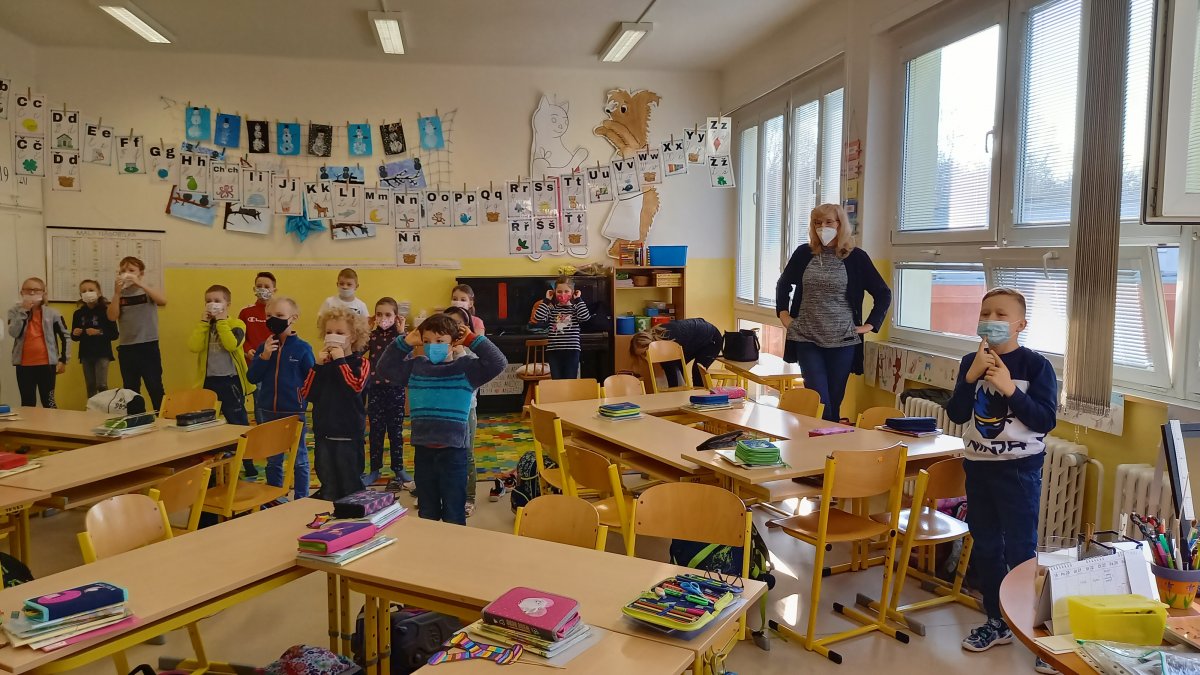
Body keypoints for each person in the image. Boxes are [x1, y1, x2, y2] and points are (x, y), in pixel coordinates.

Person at [946, 288, 1057, 673]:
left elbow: (1044, 420)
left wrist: (1009, 388)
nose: (991, 320)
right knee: (987, 546)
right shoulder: (970, 361)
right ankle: (997, 620)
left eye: (1001, 314)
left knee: (1021, 550)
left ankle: (1036, 631)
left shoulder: (1036, 366)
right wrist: (970, 377)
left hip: (1019, 470)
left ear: (1020, 324)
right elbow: (957, 414)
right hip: (979, 467)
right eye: (986, 313)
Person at [374, 314, 505, 525]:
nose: (432, 346)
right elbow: (384, 368)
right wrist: (405, 342)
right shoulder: (417, 367)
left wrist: (472, 339)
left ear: (453, 343)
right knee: (427, 512)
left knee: (454, 511)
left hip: (454, 453)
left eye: (439, 341)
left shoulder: (465, 369)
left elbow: (498, 362)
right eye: (426, 341)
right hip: (423, 452)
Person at [776, 204, 891, 422]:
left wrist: (869, 325)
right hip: (806, 337)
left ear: (840, 224)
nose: (823, 227)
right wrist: (784, 315)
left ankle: (830, 442)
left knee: (834, 402)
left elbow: (883, 293)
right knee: (820, 402)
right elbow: (783, 284)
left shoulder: (857, 258)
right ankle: (821, 439)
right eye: (817, 223)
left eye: (828, 222)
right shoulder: (803, 254)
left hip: (843, 341)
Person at [247, 296, 315, 499]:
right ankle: (274, 497)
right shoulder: (264, 347)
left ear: (293, 318)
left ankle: (302, 498)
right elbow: (252, 377)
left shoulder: (302, 348)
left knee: (299, 457)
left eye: (279, 315)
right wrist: (264, 357)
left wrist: (304, 400)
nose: (273, 320)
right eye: (269, 316)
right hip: (268, 410)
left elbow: (311, 378)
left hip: (294, 411)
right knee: (273, 458)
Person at [301, 306, 371, 501]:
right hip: (324, 433)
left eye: (340, 333)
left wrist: (341, 361)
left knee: (350, 485)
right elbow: (307, 393)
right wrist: (317, 366)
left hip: (348, 435)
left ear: (353, 336)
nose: (333, 337)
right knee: (328, 482)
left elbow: (355, 388)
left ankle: (354, 515)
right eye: (329, 332)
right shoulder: (323, 365)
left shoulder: (361, 363)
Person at [186, 285, 253, 449]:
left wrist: (222, 321)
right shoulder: (205, 326)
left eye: (217, 300)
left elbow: (232, 344)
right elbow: (194, 346)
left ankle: (245, 457)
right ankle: (216, 455)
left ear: (227, 304)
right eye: (208, 301)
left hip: (231, 381)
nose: (212, 304)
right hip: (209, 381)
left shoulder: (237, 324)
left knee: (237, 420)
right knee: (207, 422)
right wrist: (204, 323)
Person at [107, 256, 167, 412]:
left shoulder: (146, 290)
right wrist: (116, 294)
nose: (126, 273)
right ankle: (137, 419)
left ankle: (161, 417)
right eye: (123, 271)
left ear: (141, 273)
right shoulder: (120, 294)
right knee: (131, 389)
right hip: (127, 348)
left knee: (154, 385)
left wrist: (140, 284)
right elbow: (112, 317)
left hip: (148, 345)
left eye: (131, 270)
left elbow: (162, 301)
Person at [365, 297, 411, 492]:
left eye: (388, 314)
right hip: (375, 389)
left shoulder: (400, 338)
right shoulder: (371, 335)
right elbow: (358, 352)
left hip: (395, 389)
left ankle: (398, 468)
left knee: (395, 432)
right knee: (376, 431)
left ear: (396, 316)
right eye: (379, 314)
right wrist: (365, 330)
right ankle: (374, 469)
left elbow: (408, 356)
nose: (383, 318)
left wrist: (401, 332)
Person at [7, 277, 69, 408]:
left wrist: (63, 359)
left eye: (36, 290)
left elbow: (65, 336)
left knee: (49, 402)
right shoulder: (14, 311)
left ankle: (52, 422)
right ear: (21, 292)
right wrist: (23, 312)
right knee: (27, 402)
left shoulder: (53, 314)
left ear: (43, 293)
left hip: (47, 365)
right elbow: (14, 332)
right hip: (24, 365)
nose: (32, 293)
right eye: (28, 290)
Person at [444, 306, 481, 515]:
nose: (454, 328)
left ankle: (469, 496)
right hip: (443, 412)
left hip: (466, 410)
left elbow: (474, 380)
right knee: (444, 453)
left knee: (466, 453)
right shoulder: (439, 348)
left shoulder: (470, 352)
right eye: (449, 323)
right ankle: (446, 492)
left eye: (459, 324)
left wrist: (461, 355)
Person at [629, 318, 722, 388]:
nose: (644, 356)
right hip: (696, 338)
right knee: (678, 369)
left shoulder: (667, 343)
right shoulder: (657, 338)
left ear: (649, 346)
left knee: (697, 371)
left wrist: (673, 392)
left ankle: (701, 400)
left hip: (712, 339)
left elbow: (672, 371)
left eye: (644, 353)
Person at [532, 276, 590, 379]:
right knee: (556, 381)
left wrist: (578, 299)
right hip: (554, 351)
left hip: (572, 351)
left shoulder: (575, 308)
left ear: (572, 292)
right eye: (559, 292)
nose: (563, 295)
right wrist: (546, 300)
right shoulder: (552, 309)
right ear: (554, 292)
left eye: (566, 291)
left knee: (570, 380)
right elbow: (538, 317)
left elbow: (585, 317)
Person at [71, 279, 119, 399]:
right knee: (90, 385)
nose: (87, 293)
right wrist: (75, 333)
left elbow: (114, 334)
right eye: (84, 291)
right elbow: (74, 337)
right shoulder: (78, 313)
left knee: (101, 384)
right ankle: (92, 407)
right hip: (85, 353)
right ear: (80, 295)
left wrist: (99, 332)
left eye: (91, 290)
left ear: (99, 292)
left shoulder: (106, 311)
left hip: (102, 353)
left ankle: (104, 406)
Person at [240, 271, 277, 361]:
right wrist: (247, 349)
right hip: (251, 361)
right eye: (259, 286)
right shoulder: (245, 312)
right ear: (254, 289)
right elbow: (239, 336)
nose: (263, 289)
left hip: (273, 360)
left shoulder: (279, 313)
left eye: (267, 287)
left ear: (274, 290)